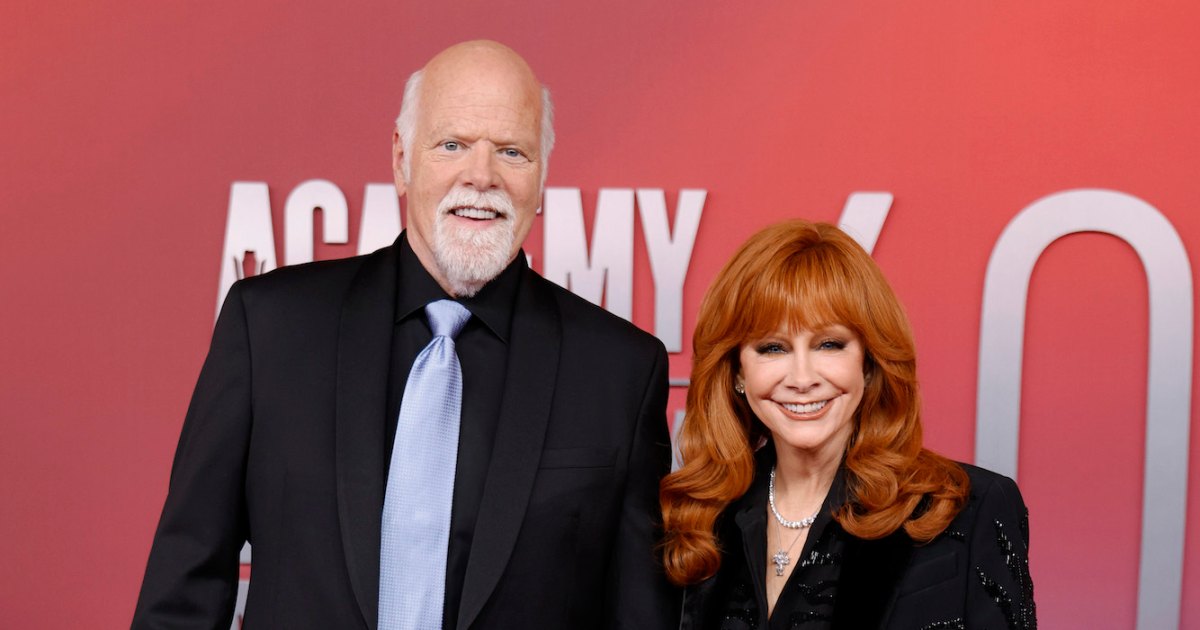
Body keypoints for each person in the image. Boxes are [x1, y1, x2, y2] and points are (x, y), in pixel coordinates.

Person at [132, 40, 678, 629]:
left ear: (541, 175)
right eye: (452, 145)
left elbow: (639, 615)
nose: (481, 176)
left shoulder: (621, 371)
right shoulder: (269, 328)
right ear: (401, 159)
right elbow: (184, 592)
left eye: (512, 152)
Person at [660, 220, 1036, 629]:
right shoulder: (696, 519)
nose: (802, 378)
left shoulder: (967, 509)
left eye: (829, 344)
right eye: (773, 348)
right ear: (737, 371)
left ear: (869, 363)